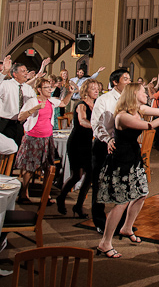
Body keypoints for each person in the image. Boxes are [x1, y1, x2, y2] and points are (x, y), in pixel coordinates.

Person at [95, 83, 159, 258]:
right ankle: (105, 243)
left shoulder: (139, 109)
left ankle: (127, 227)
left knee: (142, 193)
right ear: (134, 94)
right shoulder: (123, 116)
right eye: (144, 92)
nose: (147, 94)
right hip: (121, 161)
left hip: (134, 160)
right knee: (121, 202)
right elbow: (149, 126)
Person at [15, 77, 76, 203]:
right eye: (46, 88)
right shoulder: (33, 101)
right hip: (33, 137)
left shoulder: (51, 101)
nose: (49, 90)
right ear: (39, 89)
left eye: (50, 87)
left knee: (48, 166)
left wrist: (70, 93)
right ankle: (24, 194)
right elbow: (21, 116)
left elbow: (63, 103)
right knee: (29, 167)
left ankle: (45, 194)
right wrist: (35, 108)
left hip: (47, 137)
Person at [90, 68, 132, 233]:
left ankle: (121, 223)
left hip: (123, 146)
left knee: (122, 184)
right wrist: (108, 139)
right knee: (100, 185)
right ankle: (100, 221)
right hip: (104, 145)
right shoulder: (104, 99)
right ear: (116, 82)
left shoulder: (130, 100)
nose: (129, 82)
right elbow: (97, 125)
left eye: (129, 79)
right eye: (126, 79)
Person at [57, 79, 101, 217]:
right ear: (86, 90)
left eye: (97, 88)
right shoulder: (81, 105)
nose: (96, 90)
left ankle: (78, 205)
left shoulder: (96, 105)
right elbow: (82, 121)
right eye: (93, 88)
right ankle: (61, 198)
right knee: (77, 175)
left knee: (90, 175)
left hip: (88, 143)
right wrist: (96, 127)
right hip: (76, 142)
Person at [0, 56, 37, 146]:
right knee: (3, 150)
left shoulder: (28, 88)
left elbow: (34, 102)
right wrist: (4, 71)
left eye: (26, 71)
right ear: (15, 74)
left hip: (20, 124)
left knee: (18, 149)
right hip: (6, 123)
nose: (26, 73)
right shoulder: (6, 84)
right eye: (23, 71)